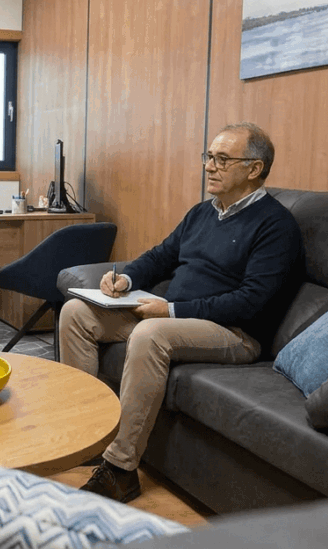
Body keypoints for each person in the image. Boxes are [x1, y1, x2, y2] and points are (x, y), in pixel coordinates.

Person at [60, 122, 304, 503]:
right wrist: (124, 279)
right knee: (76, 312)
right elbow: (162, 255)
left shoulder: (276, 225)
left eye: (223, 159)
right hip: (176, 320)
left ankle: (120, 469)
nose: (210, 166)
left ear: (254, 169)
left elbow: (252, 301)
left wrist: (170, 310)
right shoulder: (202, 213)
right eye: (209, 157)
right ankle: (86, 437)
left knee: (149, 334)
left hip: (233, 332)